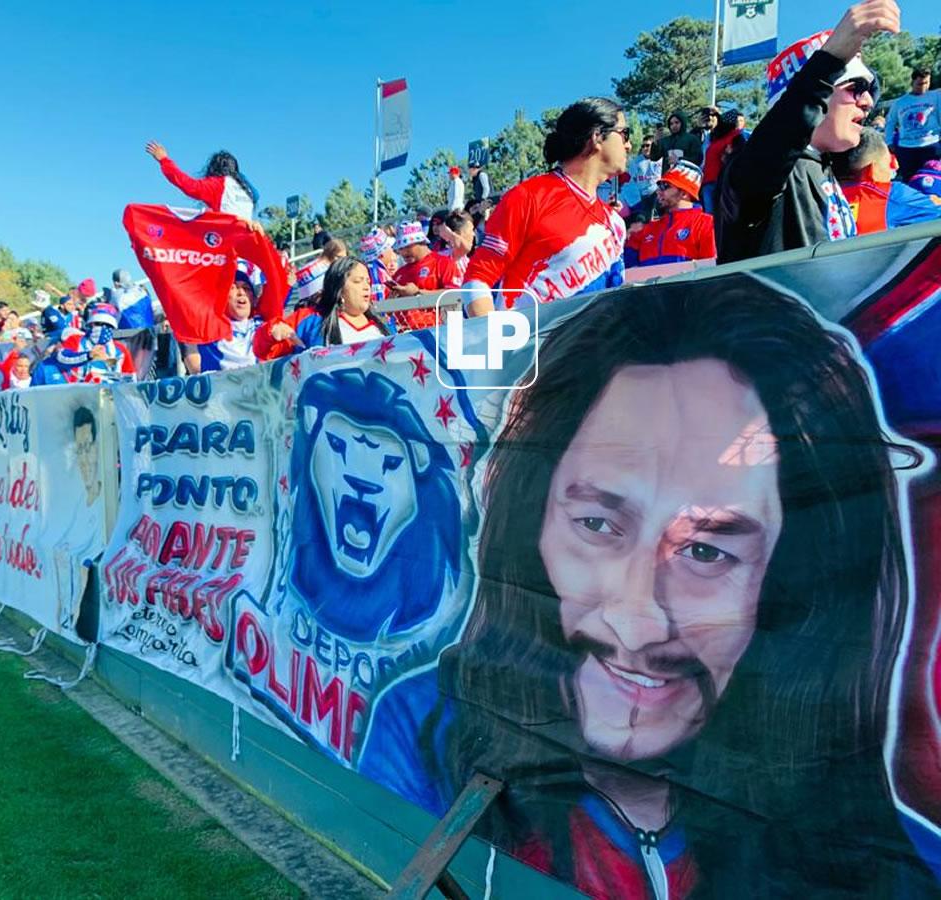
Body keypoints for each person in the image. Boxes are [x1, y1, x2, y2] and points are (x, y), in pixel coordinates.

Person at [359, 275, 933, 897]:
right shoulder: (431, 732)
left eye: (707, 552)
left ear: (799, 575)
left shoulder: (885, 865)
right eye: (599, 524)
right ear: (532, 523)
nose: (636, 621)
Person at [716, 3, 896, 263]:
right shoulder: (753, 170)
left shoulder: (825, 167)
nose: (868, 101)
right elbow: (779, 138)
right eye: (855, 86)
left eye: (869, 89)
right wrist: (831, 58)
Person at [463, 97, 629, 316]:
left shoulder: (615, 223)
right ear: (597, 136)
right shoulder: (529, 197)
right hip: (526, 345)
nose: (628, 144)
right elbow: (477, 279)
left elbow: (614, 302)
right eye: (625, 133)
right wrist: (494, 343)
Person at [196, 261, 297, 371]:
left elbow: (275, 300)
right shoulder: (210, 328)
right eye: (233, 287)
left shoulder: (264, 325)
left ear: (254, 300)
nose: (241, 293)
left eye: (246, 288)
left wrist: (285, 281)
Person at [836, 127, 941, 232]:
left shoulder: (828, 197)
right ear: (871, 170)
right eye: (889, 162)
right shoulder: (892, 195)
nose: (896, 166)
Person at [624, 161, 716, 267]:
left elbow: (709, 270)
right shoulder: (647, 229)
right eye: (659, 186)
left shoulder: (706, 224)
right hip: (649, 284)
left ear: (684, 193)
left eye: (665, 186)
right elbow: (626, 269)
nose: (658, 191)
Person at [295, 257, 395, 348]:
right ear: (339, 288)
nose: (366, 287)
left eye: (368, 282)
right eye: (357, 281)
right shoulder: (313, 324)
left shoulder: (384, 326)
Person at [145, 142, 258, 220]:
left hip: (226, 244)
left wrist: (164, 160)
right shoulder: (249, 190)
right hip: (247, 246)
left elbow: (188, 184)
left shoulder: (218, 185)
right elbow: (257, 195)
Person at [884, 67, 940, 181]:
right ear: (912, 82)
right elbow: (890, 123)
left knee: (933, 179)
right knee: (909, 179)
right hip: (907, 147)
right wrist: (889, 142)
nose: (923, 87)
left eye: (926, 83)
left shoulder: (936, 97)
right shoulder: (899, 103)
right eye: (920, 84)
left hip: (931, 144)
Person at [57, 302, 136, 382]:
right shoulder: (75, 339)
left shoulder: (120, 349)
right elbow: (61, 357)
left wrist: (108, 361)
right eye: (98, 324)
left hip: (109, 391)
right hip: (76, 389)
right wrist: (89, 355)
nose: (103, 328)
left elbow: (130, 377)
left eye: (108, 326)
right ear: (91, 324)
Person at [701, 111, 746, 215]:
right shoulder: (717, 138)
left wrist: (729, 156)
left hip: (721, 182)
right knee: (710, 216)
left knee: (718, 215)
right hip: (709, 181)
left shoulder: (736, 136)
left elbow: (736, 156)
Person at [620, 135, 661, 221]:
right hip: (643, 195)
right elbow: (631, 180)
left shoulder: (660, 159)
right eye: (643, 146)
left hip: (657, 193)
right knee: (646, 220)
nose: (645, 148)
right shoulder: (636, 162)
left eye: (648, 145)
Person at [358, 227, 398, 307]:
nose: (392, 251)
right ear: (382, 254)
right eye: (390, 248)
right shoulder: (378, 272)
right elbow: (379, 300)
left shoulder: (368, 269)